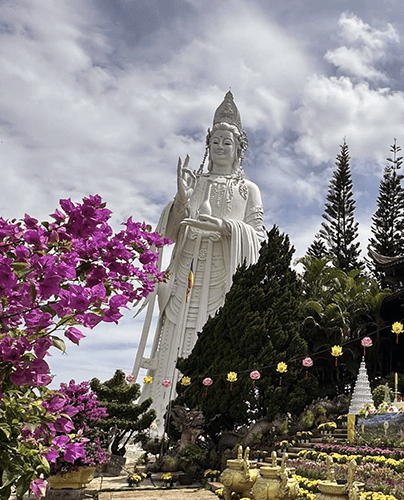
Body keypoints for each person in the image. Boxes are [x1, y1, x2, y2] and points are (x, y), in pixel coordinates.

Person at [133, 92, 266, 424]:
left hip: (223, 275)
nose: (221, 147)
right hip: (186, 276)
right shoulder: (194, 184)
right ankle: (156, 418)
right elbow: (170, 235)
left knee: (218, 340)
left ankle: (218, 421)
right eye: (216, 141)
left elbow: (259, 236)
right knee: (173, 342)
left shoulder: (248, 190)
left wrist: (224, 227)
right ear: (208, 144)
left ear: (239, 149)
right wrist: (180, 202)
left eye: (228, 142)